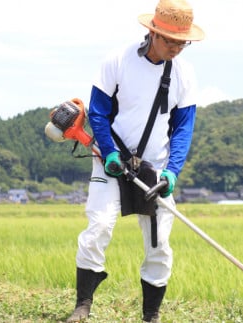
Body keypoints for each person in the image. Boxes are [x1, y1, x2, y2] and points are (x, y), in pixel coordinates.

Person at [65, 0, 204, 322]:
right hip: (110, 160)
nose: (176, 48)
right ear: (152, 32)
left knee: (159, 243)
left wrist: (172, 172)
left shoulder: (184, 73)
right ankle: (83, 303)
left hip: (155, 168)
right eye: (170, 40)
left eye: (182, 42)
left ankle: (151, 315)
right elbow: (98, 111)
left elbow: (184, 127)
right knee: (98, 225)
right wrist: (109, 150)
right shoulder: (118, 60)